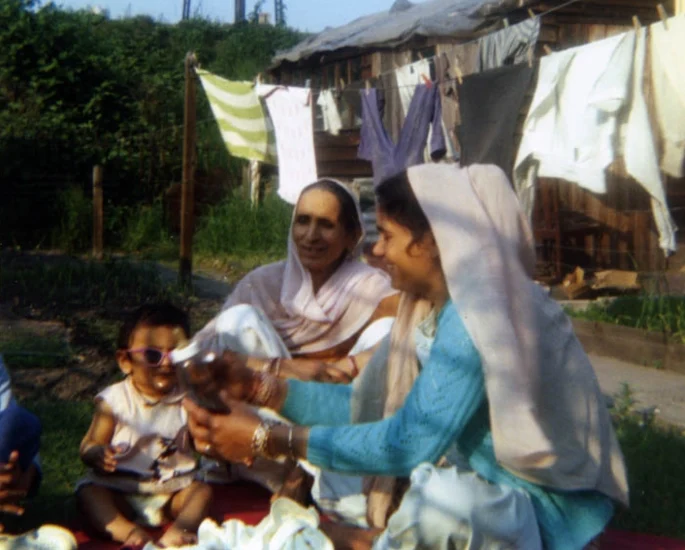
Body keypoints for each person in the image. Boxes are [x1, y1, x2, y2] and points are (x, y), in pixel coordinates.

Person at [183, 163, 629, 550]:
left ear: (432, 242)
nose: (377, 251)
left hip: (542, 513)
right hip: (492, 491)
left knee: (445, 505)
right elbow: (362, 407)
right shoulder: (428, 310)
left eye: (389, 237)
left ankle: (361, 540)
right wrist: (261, 388)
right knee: (394, 480)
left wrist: (269, 439)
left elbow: (410, 442)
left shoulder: (482, 312)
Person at [188, 178, 399, 523]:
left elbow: (409, 337)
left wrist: (341, 366)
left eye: (326, 225)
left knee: (387, 330)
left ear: (351, 235)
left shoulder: (369, 286)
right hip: (265, 435)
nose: (310, 235)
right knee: (238, 320)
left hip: (334, 423)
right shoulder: (263, 283)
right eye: (303, 221)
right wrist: (285, 368)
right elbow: (207, 356)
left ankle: (313, 475)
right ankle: (299, 473)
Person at [76, 304, 212, 548]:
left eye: (176, 354)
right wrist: (97, 453)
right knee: (90, 495)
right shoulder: (115, 402)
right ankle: (129, 532)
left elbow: (200, 440)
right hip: (120, 488)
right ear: (125, 361)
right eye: (152, 355)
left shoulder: (188, 398)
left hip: (173, 490)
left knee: (202, 492)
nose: (166, 363)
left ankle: (179, 531)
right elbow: (89, 444)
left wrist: (206, 437)